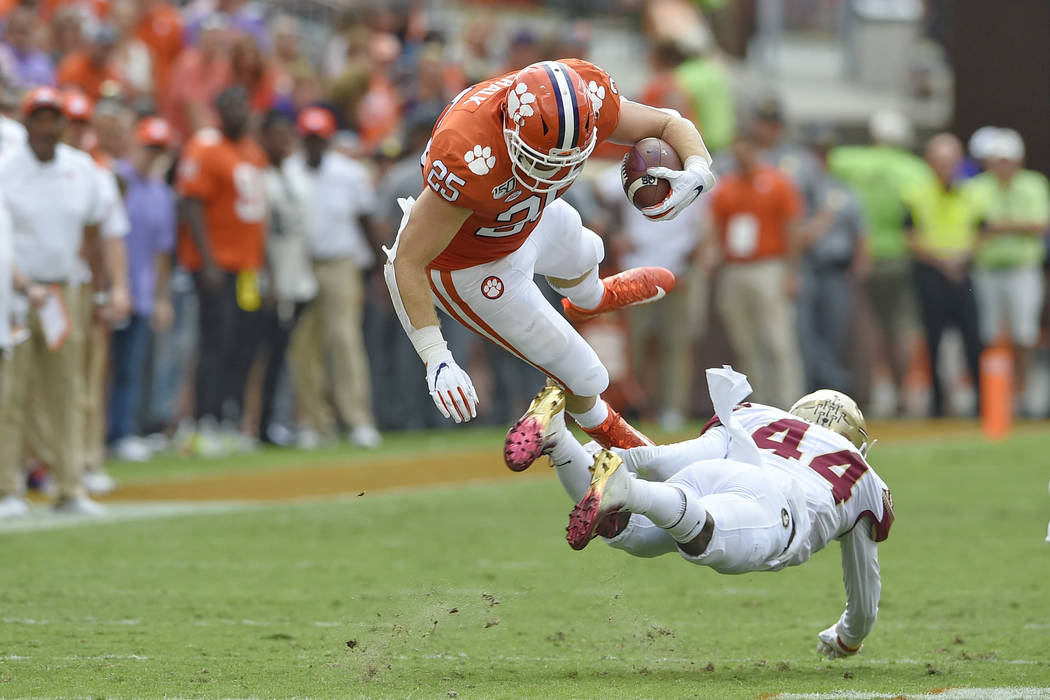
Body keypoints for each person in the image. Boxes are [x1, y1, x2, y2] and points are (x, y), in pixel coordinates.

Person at [386, 59, 716, 481]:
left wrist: (698, 170)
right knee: (584, 373)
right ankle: (640, 457)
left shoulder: (586, 98)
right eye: (541, 160)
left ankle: (592, 298)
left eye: (567, 160)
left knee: (585, 249)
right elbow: (407, 258)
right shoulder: (468, 149)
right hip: (470, 265)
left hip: (526, 217)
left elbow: (670, 125)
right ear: (509, 131)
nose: (555, 172)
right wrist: (436, 357)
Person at [540, 366, 892, 659]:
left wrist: (619, 459)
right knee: (709, 542)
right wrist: (848, 637)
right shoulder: (862, 475)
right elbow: (864, 590)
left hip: (711, 477)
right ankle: (628, 491)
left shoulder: (759, 417)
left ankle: (558, 440)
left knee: (629, 533)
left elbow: (669, 457)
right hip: (773, 503)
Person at [0, 86, 110, 516]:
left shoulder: (81, 169)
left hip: (64, 292)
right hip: (16, 294)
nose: (46, 128)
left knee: (68, 391)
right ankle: (8, 486)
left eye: (53, 119)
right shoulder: (7, 169)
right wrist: (21, 284)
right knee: (11, 392)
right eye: (38, 119)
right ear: (26, 123)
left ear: (65, 124)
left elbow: (96, 232)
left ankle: (69, 485)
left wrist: (100, 290)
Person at [176, 85, 267, 454]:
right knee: (215, 342)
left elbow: (258, 215)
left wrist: (264, 266)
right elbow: (191, 206)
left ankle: (229, 417)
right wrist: (207, 261)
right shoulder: (205, 147)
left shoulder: (251, 151)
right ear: (217, 111)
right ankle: (203, 420)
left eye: (242, 104)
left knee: (242, 343)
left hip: (246, 267)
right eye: (229, 105)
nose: (238, 112)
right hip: (217, 264)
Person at [286, 106, 381, 449]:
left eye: (318, 139)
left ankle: (357, 419)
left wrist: (378, 268)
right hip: (300, 263)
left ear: (327, 141)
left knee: (344, 339)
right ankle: (315, 422)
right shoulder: (289, 170)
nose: (313, 145)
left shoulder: (349, 172)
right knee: (303, 345)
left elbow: (365, 220)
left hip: (340, 262)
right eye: (308, 139)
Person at [828, 110, 929, 416]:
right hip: (898, 255)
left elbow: (825, 164)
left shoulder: (849, 160)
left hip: (860, 256)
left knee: (868, 330)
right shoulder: (914, 169)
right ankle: (902, 393)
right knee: (900, 327)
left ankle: (871, 393)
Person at [708, 124, 805, 409]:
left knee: (776, 340)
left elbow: (791, 228)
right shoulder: (726, 186)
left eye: (747, 146)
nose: (741, 152)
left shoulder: (777, 182)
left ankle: (789, 403)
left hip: (768, 266)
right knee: (744, 344)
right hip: (735, 268)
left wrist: (791, 272)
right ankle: (761, 405)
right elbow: (716, 228)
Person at [965, 129, 1050, 414]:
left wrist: (996, 227)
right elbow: (974, 227)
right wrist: (1015, 226)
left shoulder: (1033, 185)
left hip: (1022, 269)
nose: (1003, 166)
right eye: (998, 160)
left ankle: (1024, 396)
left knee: (1024, 335)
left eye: (1007, 160)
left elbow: (1039, 225)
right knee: (988, 335)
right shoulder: (977, 187)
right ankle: (995, 397)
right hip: (987, 270)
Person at [108, 116, 176, 460]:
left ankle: (123, 431)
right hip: (112, 290)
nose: (154, 155)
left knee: (131, 368)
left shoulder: (161, 193)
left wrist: (162, 298)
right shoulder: (116, 178)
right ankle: (104, 434)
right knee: (104, 368)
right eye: (151, 147)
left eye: (160, 150)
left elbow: (162, 251)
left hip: (144, 290)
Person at [903, 133, 983, 417]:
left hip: (963, 271)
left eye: (949, 162)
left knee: (973, 338)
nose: (945, 168)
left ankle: (981, 402)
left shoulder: (972, 192)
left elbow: (981, 230)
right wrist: (942, 260)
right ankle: (938, 403)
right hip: (931, 271)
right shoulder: (917, 193)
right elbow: (910, 236)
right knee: (933, 339)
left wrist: (964, 257)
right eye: (939, 162)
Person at [256, 109, 316, 444]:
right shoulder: (258, 176)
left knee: (287, 356)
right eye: (275, 135)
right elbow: (257, 233)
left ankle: (280, 420)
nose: (282, 142)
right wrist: (270, 280)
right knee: (262, 355)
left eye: (286, 136)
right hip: (270, 281)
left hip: (298, 279)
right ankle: (258, 421)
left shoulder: (296, 177)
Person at [796, 126, 867, 394]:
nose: (820, 159)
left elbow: (860, 231)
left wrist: (860, 264)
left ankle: (832, 387)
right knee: (806, 335)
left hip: (837, 269)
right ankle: (830, 383)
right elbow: (796, 232)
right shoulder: (798, 189)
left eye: (825, 153)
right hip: (808, 265)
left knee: (835, 331)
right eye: (816, 152)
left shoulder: (842, 189)